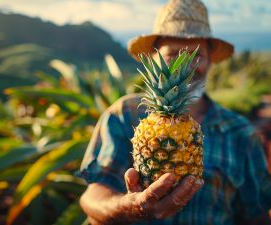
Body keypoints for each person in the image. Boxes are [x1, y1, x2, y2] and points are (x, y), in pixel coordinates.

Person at [77, 0, 271, 224]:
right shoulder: (122, 114)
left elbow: (256, 217)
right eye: (174, 55)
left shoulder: (242, 134)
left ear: (209, 60)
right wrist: (130, 208)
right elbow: (92, 197)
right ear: (155, 58)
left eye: (196, 55)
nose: (185, 66)